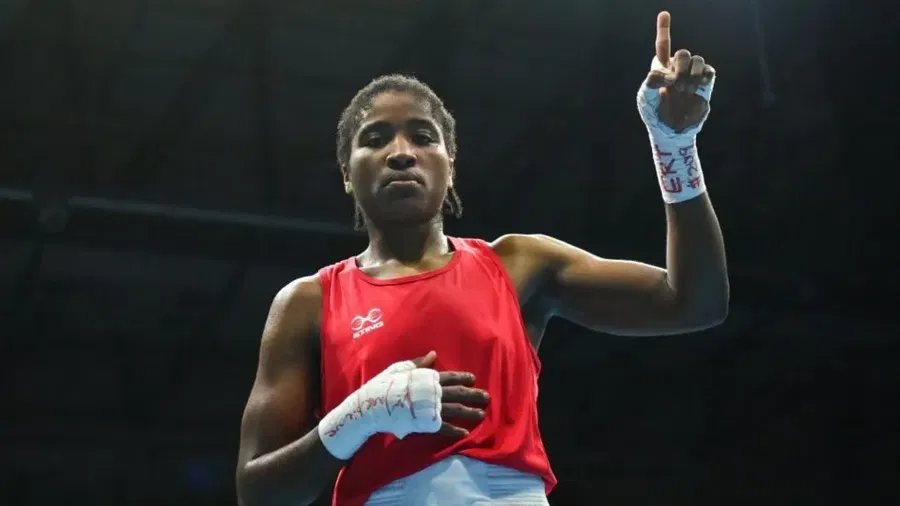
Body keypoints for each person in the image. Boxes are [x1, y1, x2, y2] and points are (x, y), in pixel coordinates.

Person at [236, 11, 728, 506]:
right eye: (375, 139)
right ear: (347, 172)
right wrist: (361, 414)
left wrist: (674, 147)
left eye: (423, 137)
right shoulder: (310, 302)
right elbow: (257, 491)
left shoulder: (519, 264)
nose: (401, 152)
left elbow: (694, 303)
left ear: (449, 166)